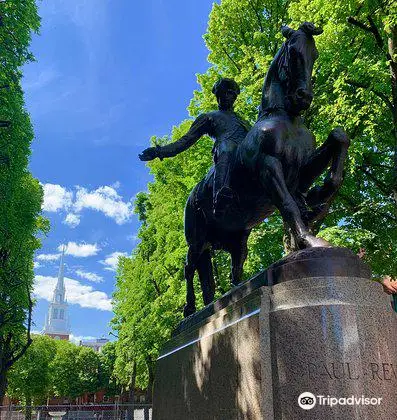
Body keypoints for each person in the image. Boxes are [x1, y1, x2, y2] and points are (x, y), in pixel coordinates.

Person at [139, 78, 250, 217]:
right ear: (218, 95)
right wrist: (159, 151)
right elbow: (185, 140)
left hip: (246, 153)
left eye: (232, 93)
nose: (230, 96)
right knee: (226, 147)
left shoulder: (243, 121)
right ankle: (219, 196)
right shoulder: (209, 117)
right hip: (225, 150)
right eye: (225, 93)